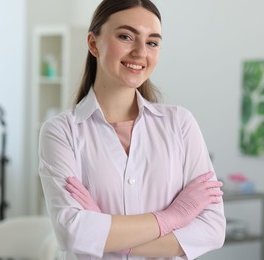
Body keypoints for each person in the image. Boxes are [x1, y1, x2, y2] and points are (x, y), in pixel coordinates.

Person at [39, 0, 226, 259]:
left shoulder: (180, 124)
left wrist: (104, 232)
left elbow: (212, 229)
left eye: (152, 42)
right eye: (126, 36)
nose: (140, 52)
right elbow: (72, 233)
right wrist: (174, 216)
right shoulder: (62, 131)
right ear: (93, 43)